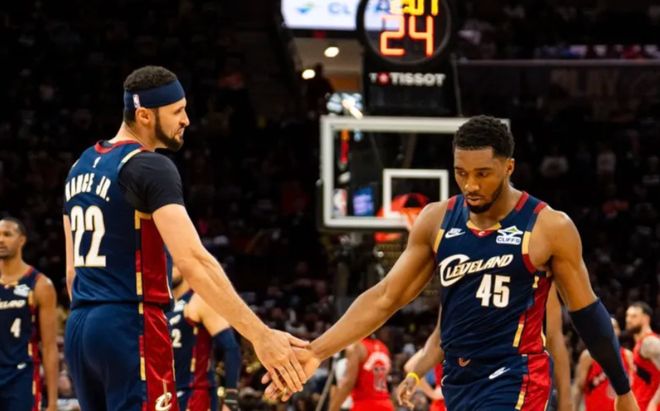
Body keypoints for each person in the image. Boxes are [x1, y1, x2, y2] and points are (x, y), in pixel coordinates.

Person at [265, 115, 638, 410]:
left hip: (516, 375)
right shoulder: (436, 220)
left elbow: (587, 312)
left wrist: (623, 389)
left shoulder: (548, 226)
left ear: (509, 167)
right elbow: (385, 297)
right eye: (461, 173)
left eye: (482, 174)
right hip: (457, 381)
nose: (470, 185)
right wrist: (316, 351)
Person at [62, 65, 306, 411]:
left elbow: (72, 272)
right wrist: (261, 335)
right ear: (145, 115)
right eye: (177, 111)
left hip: (80, 326)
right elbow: (194, 261)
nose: (186, 120)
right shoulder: (150, 166)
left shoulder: (80, 166)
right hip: (130, 322)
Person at [396, 284, 573, 411]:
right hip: (460, 393)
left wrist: (566, 402)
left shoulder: (534, 267)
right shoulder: (456, 275)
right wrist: (415, 378)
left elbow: (554, 337)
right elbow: (435, 342)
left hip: (510, 380)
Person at [0, 217, 58, 411]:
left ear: (22, 240)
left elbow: (49, 347)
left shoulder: (40, 284)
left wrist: (53, 402)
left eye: (7, 234)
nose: (1, 240)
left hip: (22, 378)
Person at [167, 266, 242, 411]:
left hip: (195, 394)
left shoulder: (200, 300)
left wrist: (231, 397)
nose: (168, 268)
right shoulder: (164, 305)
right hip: (168, 393)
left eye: (174, 264)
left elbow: (231, 347)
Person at [573, 317, 634, 411]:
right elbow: (578, 387)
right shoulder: (588, 356)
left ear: (619, 331)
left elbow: (634, 387)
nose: (610, 330)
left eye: (614, 327)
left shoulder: (627, 355)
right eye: (606, 327)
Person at [328, 331, 394, 411]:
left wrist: (333, 408)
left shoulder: (356, 347)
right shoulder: (383, 348)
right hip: (386, 404)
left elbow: (349, 383)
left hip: (365, 404)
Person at [626, 302, 660, 411]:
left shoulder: (649, 342)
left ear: (646, 318)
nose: (628, 320)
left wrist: (654, 402)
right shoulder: (640, 344)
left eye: (634, 316)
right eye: (628, 316)